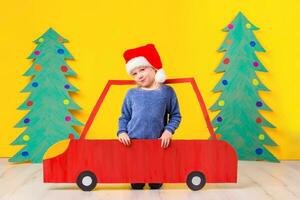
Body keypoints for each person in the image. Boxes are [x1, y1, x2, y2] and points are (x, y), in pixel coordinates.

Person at [117, 44, 182, 190]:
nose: (139, 75)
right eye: (134, 73)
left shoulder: (167, 92)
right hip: (134, 144)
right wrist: (122, 131)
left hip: (157, 144)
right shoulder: (131, 94)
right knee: (137, 184)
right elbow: (124, 117)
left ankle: (155, 181)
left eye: (142, 69)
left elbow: (176, 115)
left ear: (154, 68)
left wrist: (168, 131)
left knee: (156, 184)